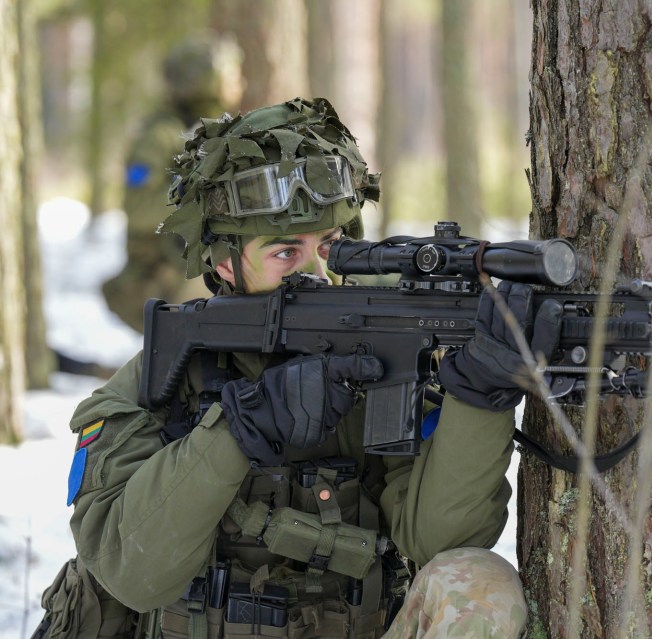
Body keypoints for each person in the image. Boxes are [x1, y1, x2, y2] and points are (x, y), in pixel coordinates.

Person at [55, 97, 560, 638]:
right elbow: (133, 575)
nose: (317, 273)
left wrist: (478, 397)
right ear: (225, 262)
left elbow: (440, 541)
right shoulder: (153, 385)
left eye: (332, 246)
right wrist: (241, 428)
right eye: (284, 253)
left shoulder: (385, 365)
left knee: (477, 582)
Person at [101, 33, 243, 332]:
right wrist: (203, 200)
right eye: (232, 74)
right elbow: (138, 207)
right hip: (162, 280)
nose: (240, 82)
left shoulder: (217, 129)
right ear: (205, 79)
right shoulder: (161, 136)